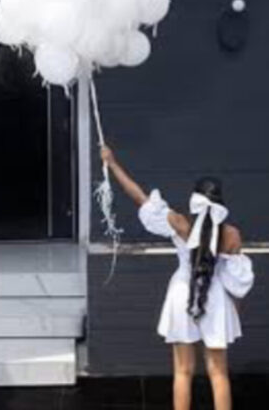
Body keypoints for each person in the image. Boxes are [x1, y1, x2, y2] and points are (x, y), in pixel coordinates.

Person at [101, 145, 254, 410]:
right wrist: (234, 312)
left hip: (182, 295)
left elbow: (141, 198)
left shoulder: (180, 222)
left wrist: (113, 164)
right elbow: (238, 283)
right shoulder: (232, 235)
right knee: (218, 374)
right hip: (215, 299)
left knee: (183, 372)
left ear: (195, 199)